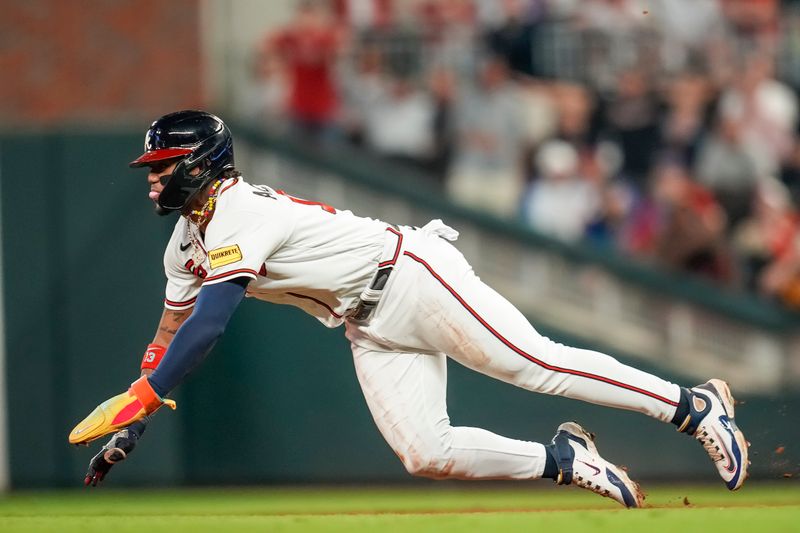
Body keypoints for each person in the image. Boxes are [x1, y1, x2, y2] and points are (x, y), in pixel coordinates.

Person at [69, 110, 749, 507]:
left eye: (163, 161)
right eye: (152, 163)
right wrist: (135, 423)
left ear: (200, 163)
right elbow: (169, 336)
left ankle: (692, 407)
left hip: (411, 275)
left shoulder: (238, 210)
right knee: (425, 451)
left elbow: (211, 324)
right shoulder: (185, 242)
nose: (152, 173)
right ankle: (563, 458)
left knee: (537, 363)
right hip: (367, 321)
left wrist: (145, 394)